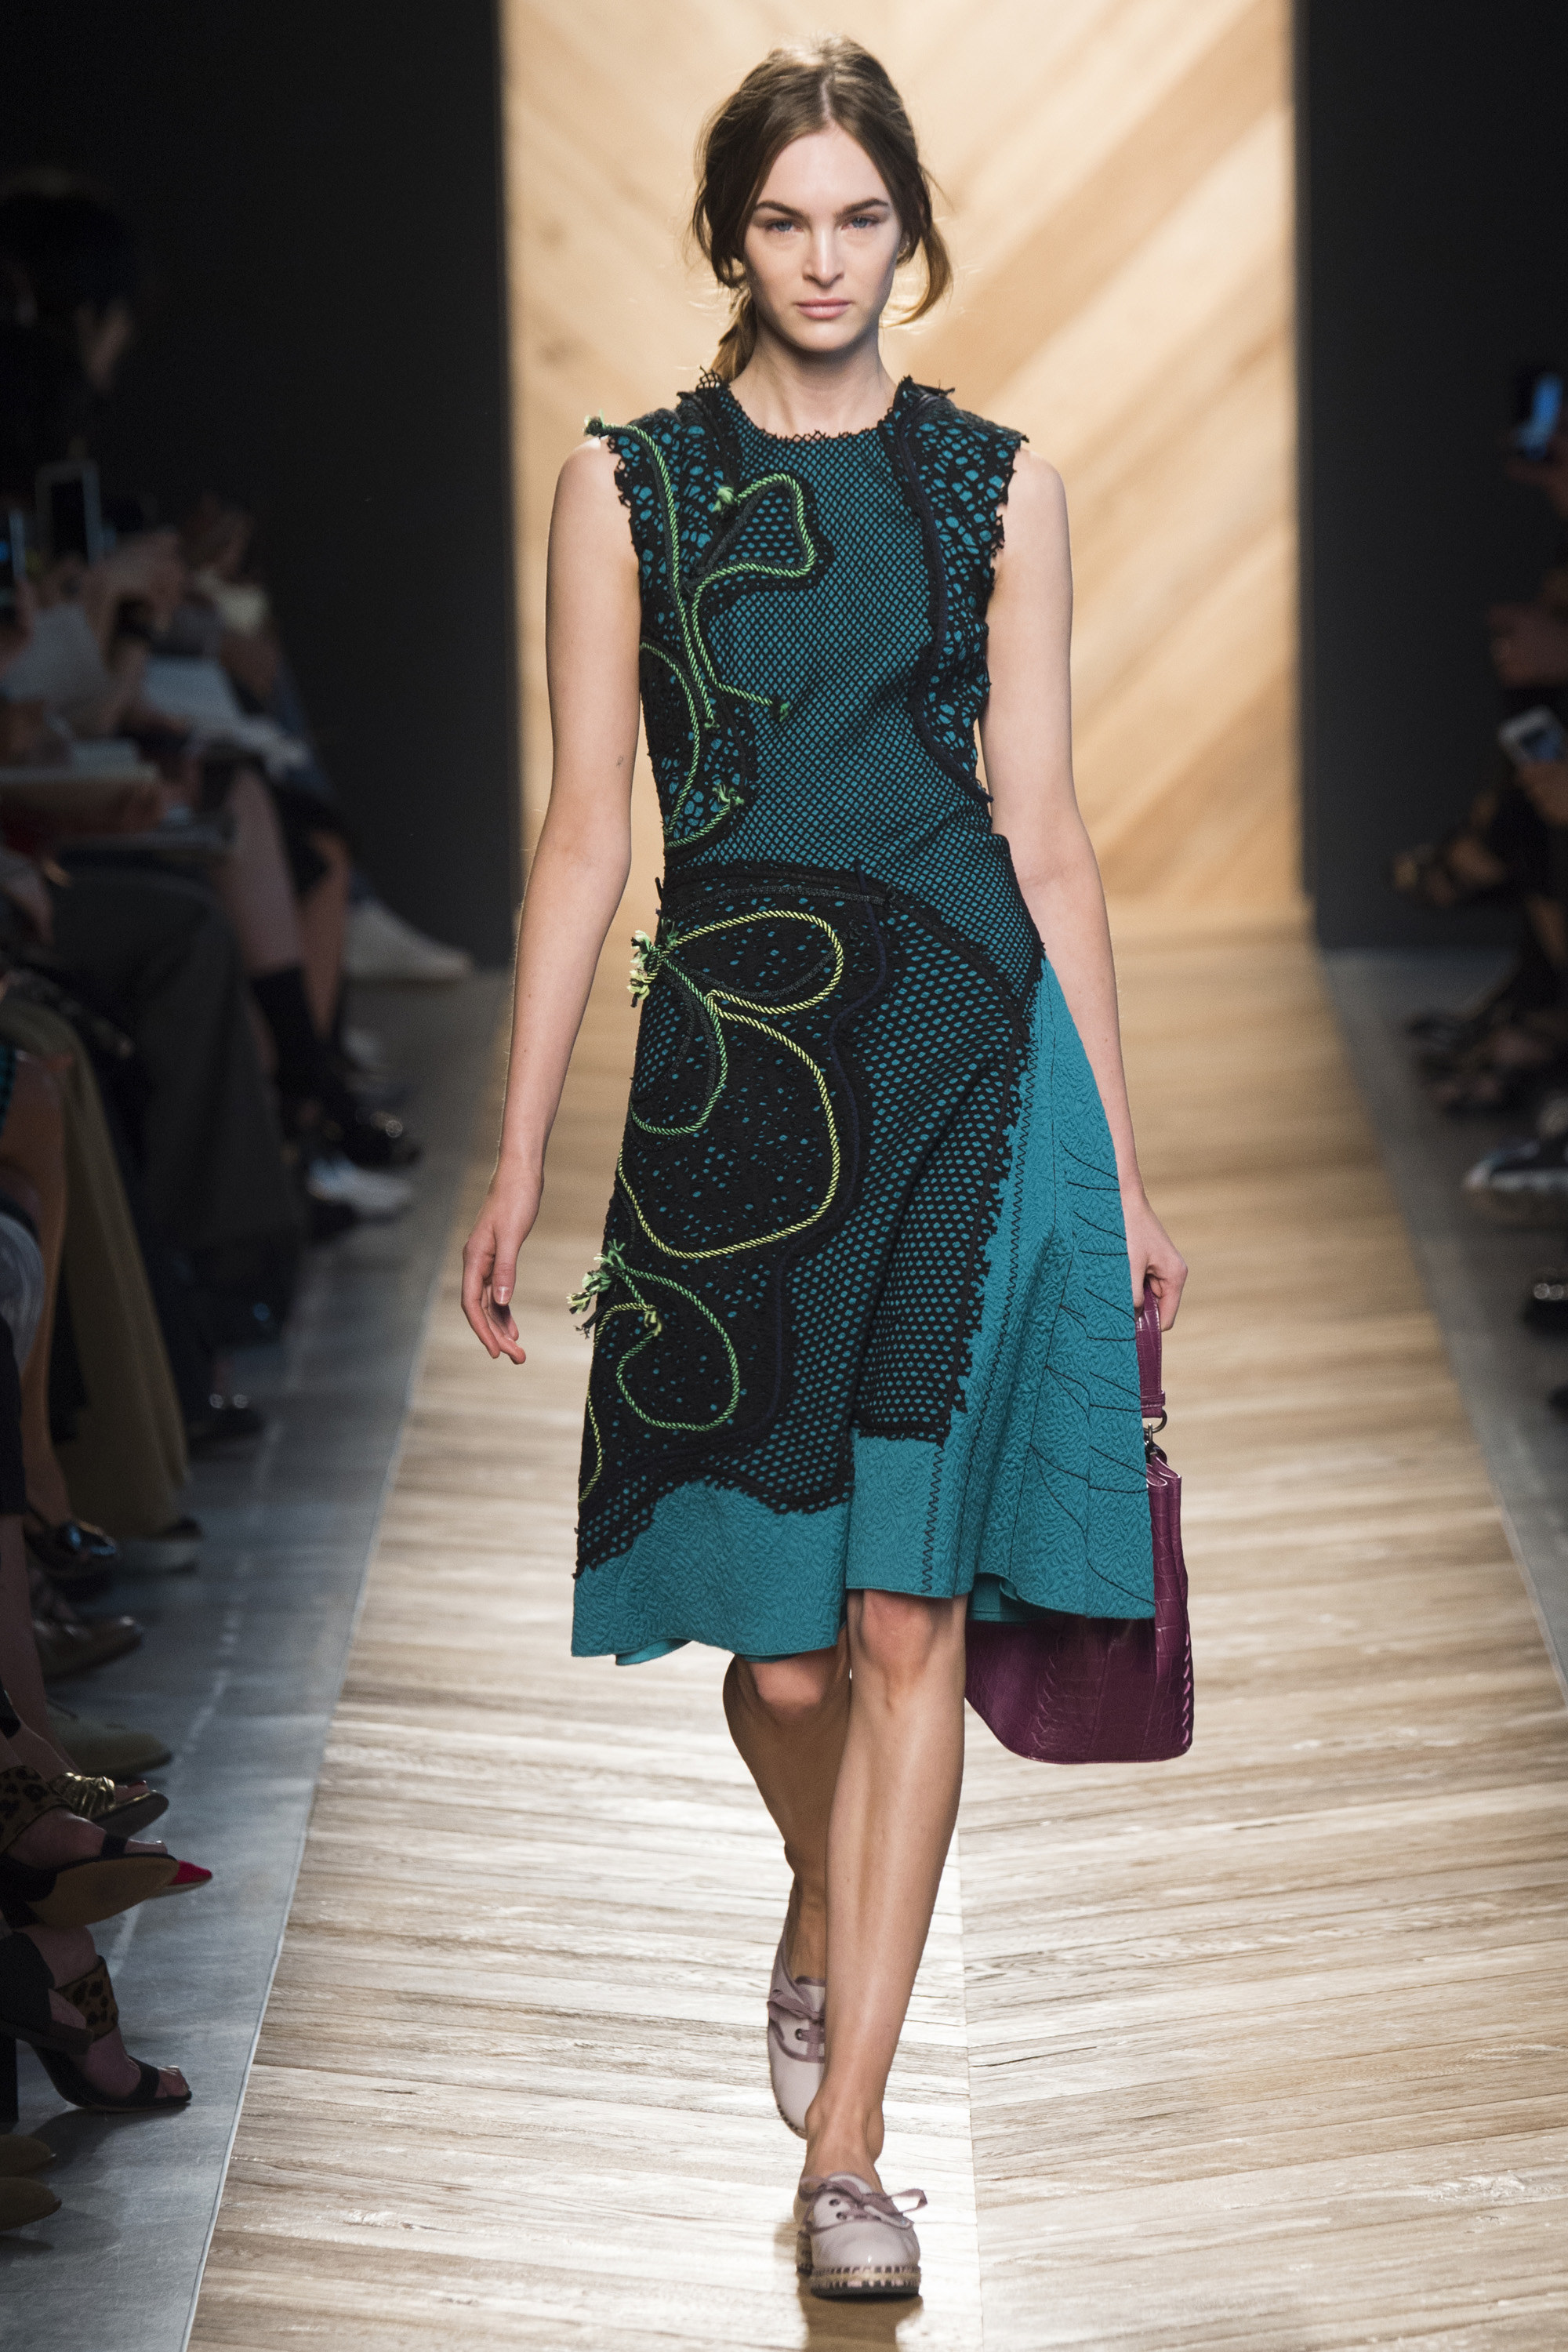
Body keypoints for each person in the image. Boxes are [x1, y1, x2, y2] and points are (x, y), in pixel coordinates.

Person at [461, 37, 1185, 2301]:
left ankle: (850, 2150)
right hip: (739, 1099)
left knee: (901, 1624)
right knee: (784, 1668)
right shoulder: (628, 489)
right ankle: (823, 1888)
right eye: (783, 218)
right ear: (728, 236)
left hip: (974, 1067)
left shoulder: (996, 485)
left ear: (911, 232)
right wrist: (514, 1157)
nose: (824, 258)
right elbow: (586, 839)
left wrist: (1128, 1170)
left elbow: (1047, 833)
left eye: (861, 216)